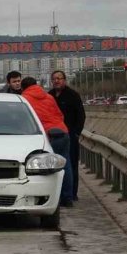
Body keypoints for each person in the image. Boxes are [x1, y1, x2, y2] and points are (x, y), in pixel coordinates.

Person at [21, 77, 74, 207]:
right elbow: (60, 115)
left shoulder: (24, 99)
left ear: (23, 87)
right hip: (62, 131)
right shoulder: (48, 96)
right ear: (36, 85)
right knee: (66, 165)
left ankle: (49, 199)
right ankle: (68, 197)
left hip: (48, 136)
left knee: (47, 168)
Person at [49, 70, 85, 202]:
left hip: (70, 135)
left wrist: (76, 133)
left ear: (64, 80)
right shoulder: (50, 96)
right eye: (54, 79)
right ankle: (57, 194)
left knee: (71, 164)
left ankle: (72, 193)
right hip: (53, 137)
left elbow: (81, 115)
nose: (57, 81)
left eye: (59, 78)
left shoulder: (73, 95)